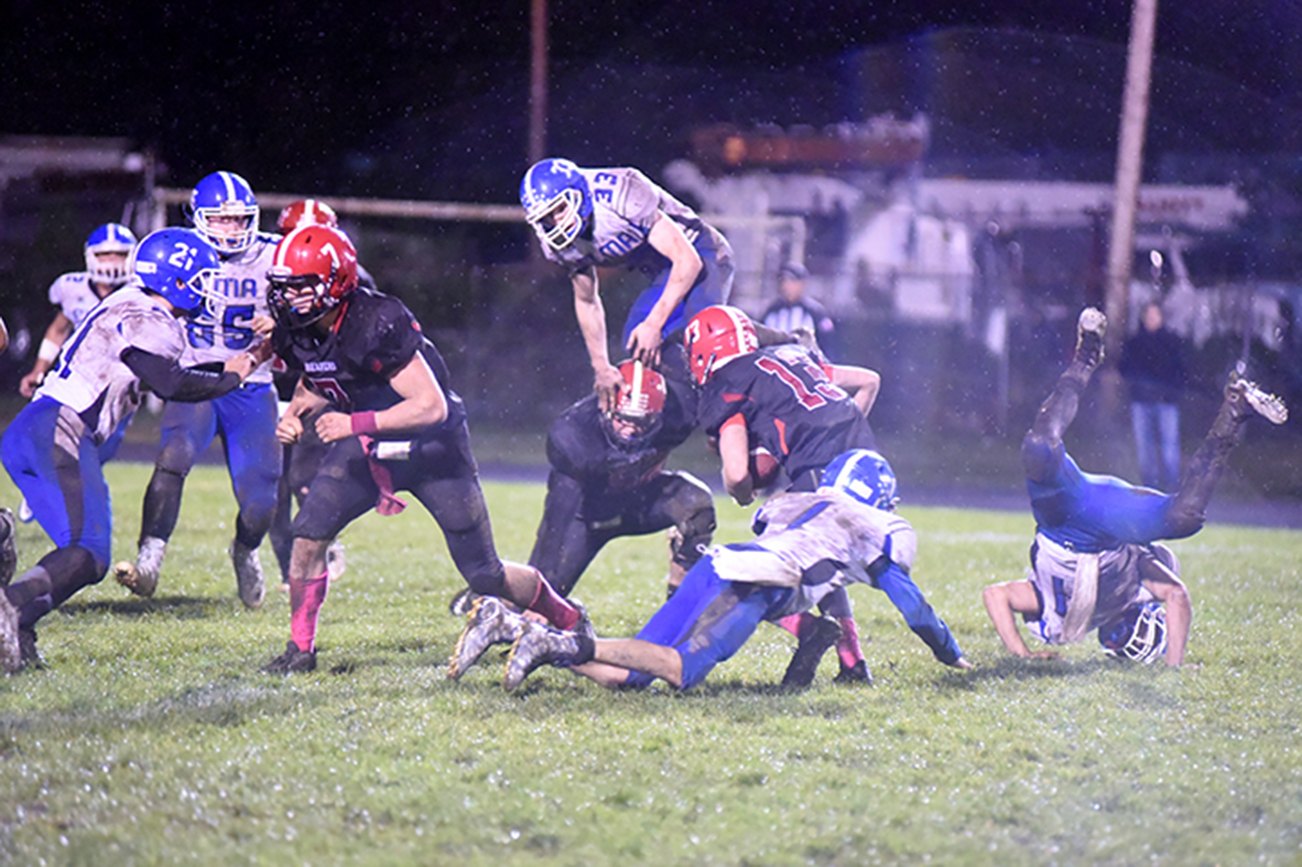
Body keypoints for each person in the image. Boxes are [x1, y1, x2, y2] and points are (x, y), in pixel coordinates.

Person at [262, 224, 591, 674]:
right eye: (286, 288)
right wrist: (295, 413)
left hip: (431, 447)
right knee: (308, 537)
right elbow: (320, 373)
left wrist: (352, 422)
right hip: (368, 444)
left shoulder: (376, 321)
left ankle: (571, 620)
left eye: (302, 288)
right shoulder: (302, 328)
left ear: (336, 283)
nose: (290, 298)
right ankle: (300, 649)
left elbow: (430, 406)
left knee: (484, 574)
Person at [0, 229, 264, 672]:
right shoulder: (148, 317)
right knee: (87, 553)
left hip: (36, 429)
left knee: (80, 554)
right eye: (200, 279)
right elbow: (171, 383)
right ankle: (9, 609)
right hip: (61, 429)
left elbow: (173, 368)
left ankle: (18, 616)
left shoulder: (134, 305)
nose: (207, 288)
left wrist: (233, 364)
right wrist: (235, 376)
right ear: (176, 280)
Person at [494, 449, 971, 692]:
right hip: (752, 585)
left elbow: (815, 560)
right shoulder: (871, 526)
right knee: (679, 671)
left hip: (720, 562)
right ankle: (557, 640)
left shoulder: (802, 501)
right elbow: (914, 608)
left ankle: (528, 635)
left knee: (634, 678)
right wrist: (949, 654)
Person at [982, 308, 1287, 668]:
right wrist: (1175, 665)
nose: (1122, 635)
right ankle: (1235, 410)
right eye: (1134, 639)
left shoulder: (1057, 620)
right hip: (1112, 522)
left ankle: (1084, 358)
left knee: (1038, 448)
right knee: (1186, 517)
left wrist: (1022, 653)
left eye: (1121, 642)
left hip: (1061, 519)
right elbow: (1175, 595)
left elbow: (995, 595)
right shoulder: (1136, 591)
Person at [688, 304, 882, 683]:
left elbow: (738, 474)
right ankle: (853, 663)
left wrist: (741, 492)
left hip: (816, 478)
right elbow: (869, 381)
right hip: (866, 472)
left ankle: (811, 630)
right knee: (822, 570)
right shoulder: (790, 355)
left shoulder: (728, 384)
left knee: (750, 571)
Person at [115, 172, 282, 609]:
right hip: (196, 374)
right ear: (199, 218)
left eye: (239, 220)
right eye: (221, 220)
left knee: (261, 500)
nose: (231, 229)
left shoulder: (273, 255)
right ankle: (149, 559)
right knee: (174, 457)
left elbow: (308, 312)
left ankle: (245, 549)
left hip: (252, 382)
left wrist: (281, 327)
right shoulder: (180, 249)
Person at [519, 158, 734, 409]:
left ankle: (753, 361)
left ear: (578, 193)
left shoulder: (621, 194)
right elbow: (586, 300)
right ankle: (670, 421)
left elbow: (688, 261)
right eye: (546, 218)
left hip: (703, 255)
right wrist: (601, 367)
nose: (556, 223)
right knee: (637, 345)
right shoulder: (557, 245)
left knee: (706, 344)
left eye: (559, 210)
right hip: (665, 273)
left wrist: (654, 324)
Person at [526, 350, 714, 601]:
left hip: (640, 503)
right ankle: (488, 594)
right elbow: (557, 520)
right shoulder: (574, 437)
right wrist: (540, 582)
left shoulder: (681, 412)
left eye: (641, 422)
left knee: (696, 504)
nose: (629, 431)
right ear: (606, 406)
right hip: (586, 518)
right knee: (539, 602)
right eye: (622, 420)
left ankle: (676, 602)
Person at [265, 199, 358, 588]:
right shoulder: (269, 273)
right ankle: (291, 568)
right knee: (273, 486)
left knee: (305, 477)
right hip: (272, 388)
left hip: (319, 389)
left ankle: (324, 550)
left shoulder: (348, 281)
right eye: (288, 238)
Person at [19, 223, 138, 398]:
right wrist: (39, 370)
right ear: (90, 256)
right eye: (104, 254)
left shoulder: (140, 292)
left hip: (123, 378)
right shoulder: (71, 287)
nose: (112, 260)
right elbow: (58, 330)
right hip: (78, 375)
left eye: (120, 254)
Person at [1118, 301, 1187, 490]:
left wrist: (1168, 391)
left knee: (1169, 449)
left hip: (1166, 402)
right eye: (1148, 316)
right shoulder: (1135, 342)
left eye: (1155, 315)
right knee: (1144, 449)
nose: (1151, 320)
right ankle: (1150, 489)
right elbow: (1125, 368)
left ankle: (1171, 491)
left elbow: (1180, 370)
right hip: (1141, 401)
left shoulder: (1172, 341)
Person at [760, 262, 837, 359]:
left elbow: (826, 344)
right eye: (784, 281)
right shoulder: (772, 311)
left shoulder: (814, 312)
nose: (787, 285)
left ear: (802, 284)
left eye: (792, 281)